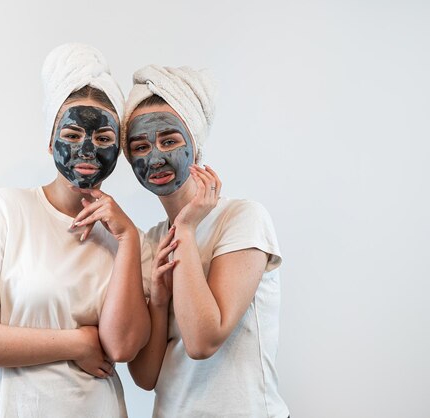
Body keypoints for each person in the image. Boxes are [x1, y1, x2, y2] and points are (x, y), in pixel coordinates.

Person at [0, 43, 150, 418]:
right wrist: (75, 343)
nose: (87, 149)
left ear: (118, 151)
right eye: (71, 135)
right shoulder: (7, 209)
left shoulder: (126, 238)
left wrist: (128, 239)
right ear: (50, 142)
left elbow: (122, 349)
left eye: (103, 138)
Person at [123, 65, 289, 418]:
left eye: (169, 141)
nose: (155, 157)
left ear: (195, 145)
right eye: (140, 146)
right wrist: (158, 300)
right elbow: (145, 376)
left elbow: (202, 340)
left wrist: (184, 229)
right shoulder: (149, 242)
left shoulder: (243, 219)